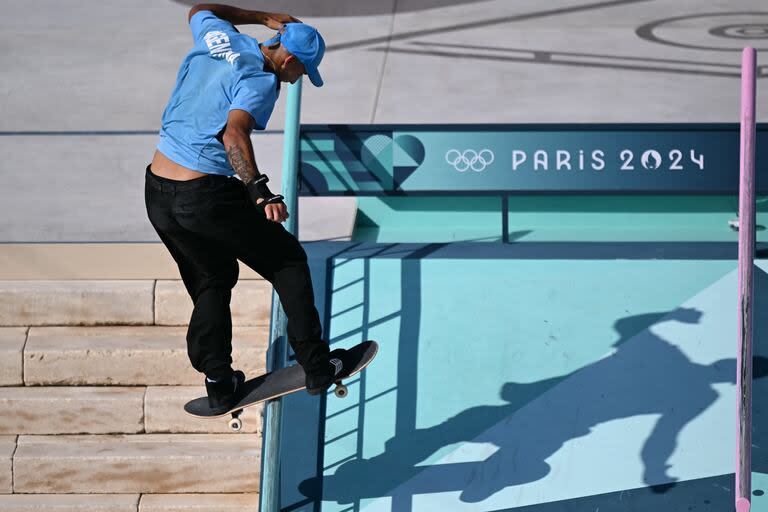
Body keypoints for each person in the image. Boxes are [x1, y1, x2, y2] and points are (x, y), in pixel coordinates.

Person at [145, 3, 343, 414]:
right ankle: (318, 366)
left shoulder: (219, 38)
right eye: (301, 72)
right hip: (203, 194)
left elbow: (201, 8)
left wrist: (263, 17)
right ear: (287, 59)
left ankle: (219, 382)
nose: (297, 80)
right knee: (287, 260)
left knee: (212, 278)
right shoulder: (260, 79)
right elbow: (234, 133)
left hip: (157, 190)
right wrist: (259, 190)